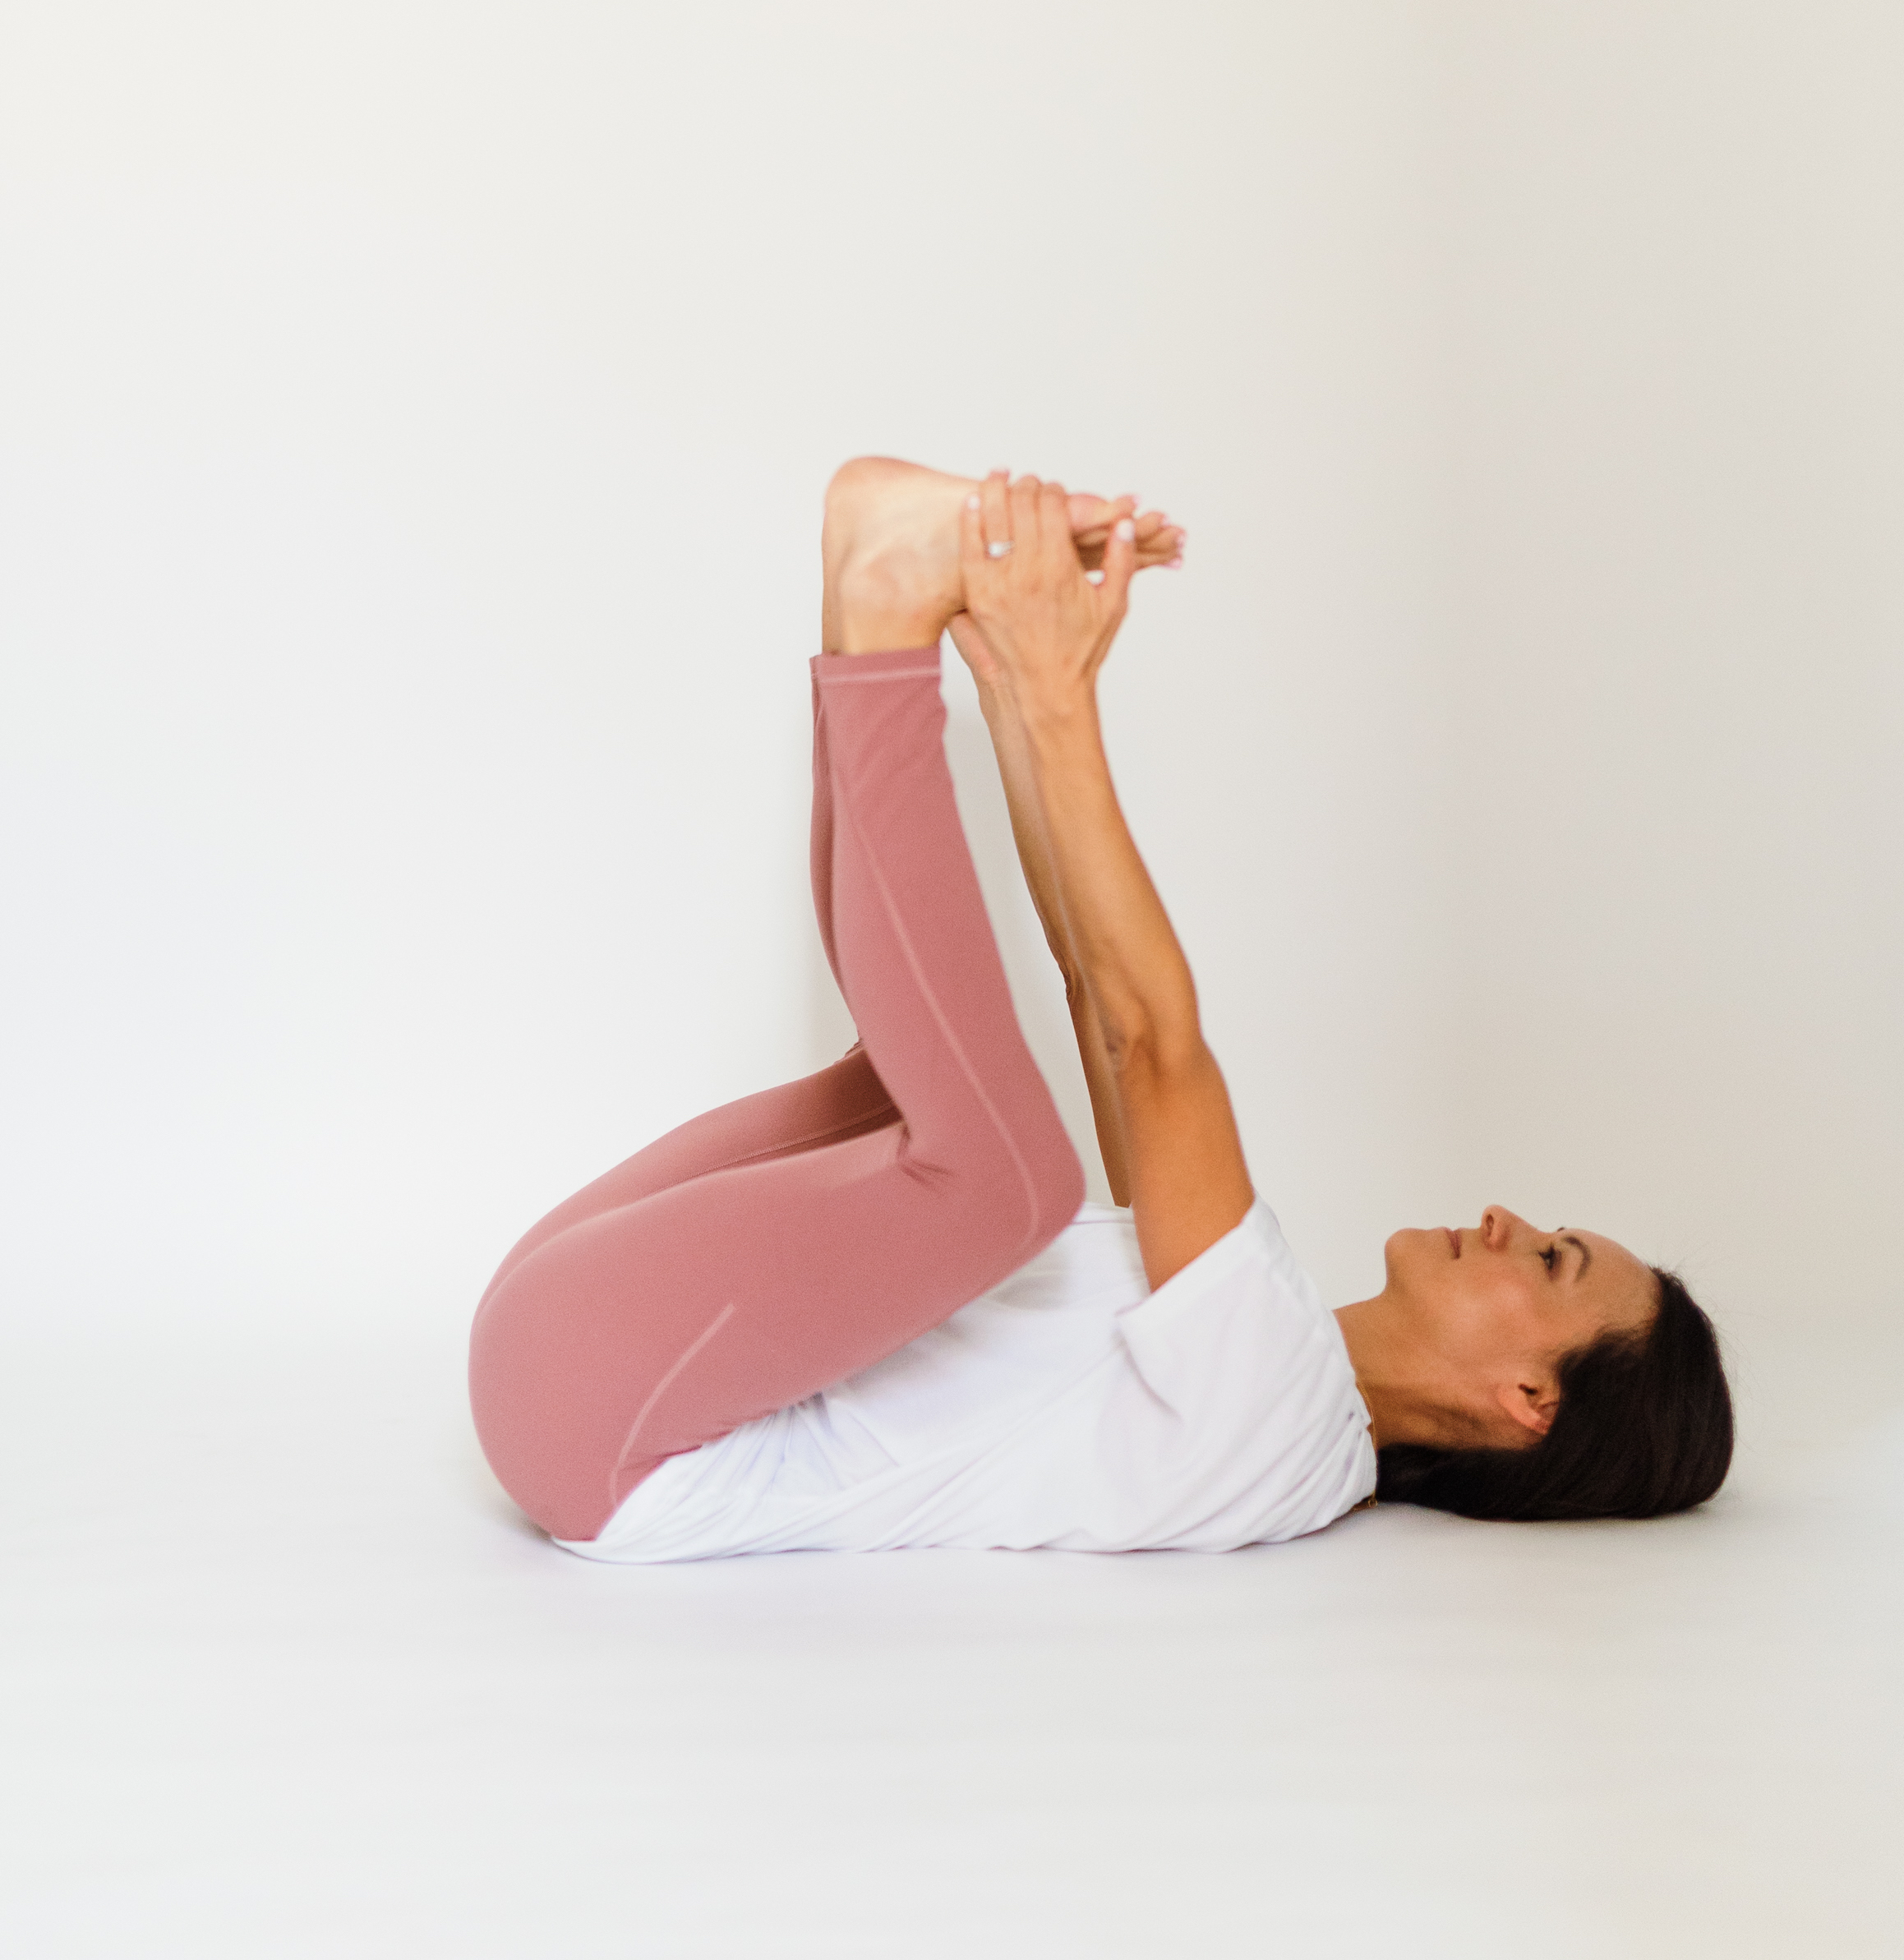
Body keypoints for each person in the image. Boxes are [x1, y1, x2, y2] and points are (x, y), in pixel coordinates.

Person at [468, 458, 1733, 1559]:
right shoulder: (1252, 1318)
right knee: (925, 1078)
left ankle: (877, 612)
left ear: (1529, 1400)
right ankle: (873, 595)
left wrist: (1051, 682)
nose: (1510, 1219)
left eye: (1552, 1258)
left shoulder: (1289, 1436)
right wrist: (1021, 676)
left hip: (608, 1425)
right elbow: (1092, 989)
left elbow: (1152, 1035)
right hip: (582, 1335)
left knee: (1006, 1184)